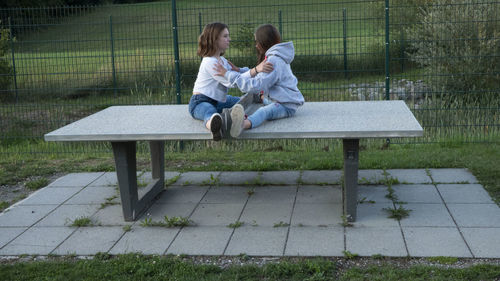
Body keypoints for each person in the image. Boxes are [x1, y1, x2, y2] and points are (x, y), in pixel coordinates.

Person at [214, 24, 305, 138]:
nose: (256, 46)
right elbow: (260, 74)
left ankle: (241, 124)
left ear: (264, 42)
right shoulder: (274, 56)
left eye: (257, 42)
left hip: (286, 105)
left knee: (264, 112)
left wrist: (228, 75)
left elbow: (257, 84)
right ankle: (261, 99)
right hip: (279, 98)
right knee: (259, 98)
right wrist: (239, 70)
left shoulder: (273, 61)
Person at [188, 22, 273, 141]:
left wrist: (256, 71)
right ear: (214, 39)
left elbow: (237, 76)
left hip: (219, 100)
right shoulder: (210, 63)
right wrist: (255, 70)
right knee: (209, 111)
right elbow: (232, 82)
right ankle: (214, 125)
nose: (229, 39)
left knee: (240, 101)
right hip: (200, 102)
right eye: (225, 36)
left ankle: (261, 100)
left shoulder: (222, 60)